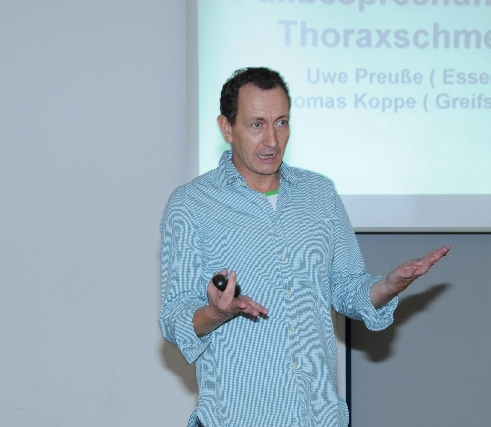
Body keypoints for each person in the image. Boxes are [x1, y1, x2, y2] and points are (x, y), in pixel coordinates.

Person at [159, 67, 449, 427]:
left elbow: (346, 288)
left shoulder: (320, 193)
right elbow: (174, 316)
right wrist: (218, 312)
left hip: (318, 416)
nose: (272, 140)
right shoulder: (191, 204)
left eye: (281, 123)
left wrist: (387, 286)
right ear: (226, 128)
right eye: (256, 125)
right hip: (236, 418)